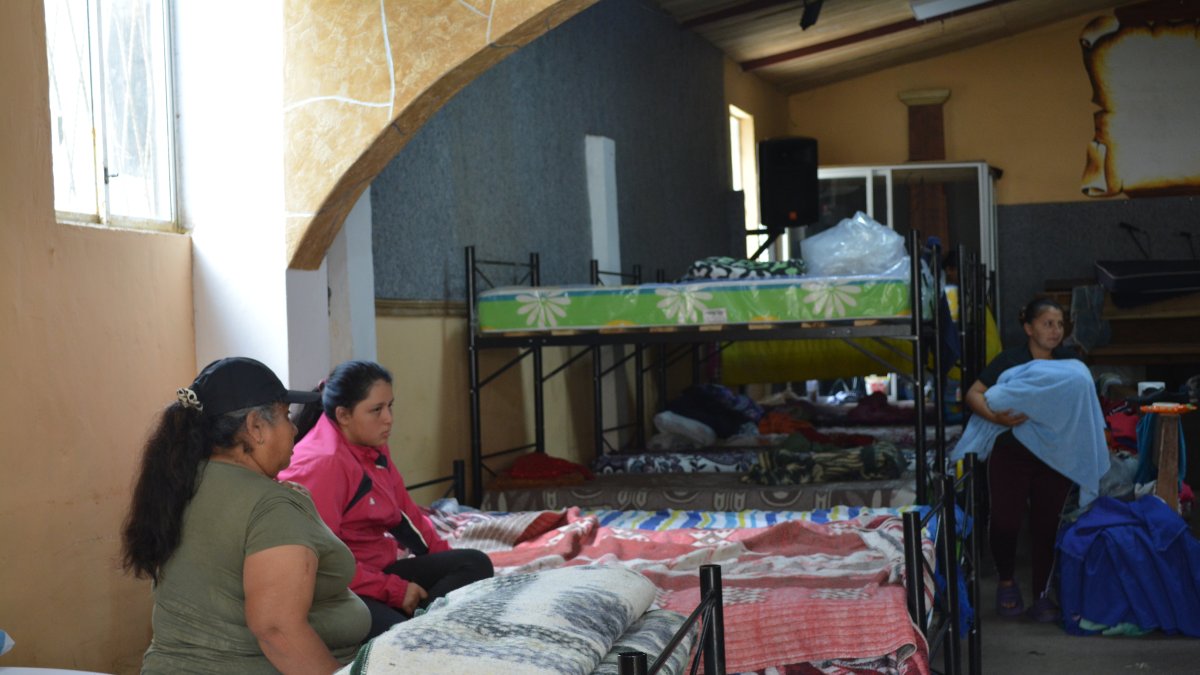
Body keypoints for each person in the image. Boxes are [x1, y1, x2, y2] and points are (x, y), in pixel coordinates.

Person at [121, 357, 370, 674]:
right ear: (255, 427)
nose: (294, 428)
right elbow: (277, 629)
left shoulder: (178, 485)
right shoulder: (271, 505)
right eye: (285, 416)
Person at [279, 360, 493, 639]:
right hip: (337, 589)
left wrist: (444, 563)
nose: (389, 418)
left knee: (474, 563)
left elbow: (406, 515)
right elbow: (323, 562)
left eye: (390, 405)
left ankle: (423, 623)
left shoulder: (371, 445)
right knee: (400, 637)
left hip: (375, 572)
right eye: (376, 410)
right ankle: (421, 628)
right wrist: (393, 590)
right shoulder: (323, 463)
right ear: (343, 415)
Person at [964, 298, 1080, 624]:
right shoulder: (1010, 361)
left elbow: (1084, 402)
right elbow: (974, 392)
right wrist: (994, 417)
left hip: (1054, 455)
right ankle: (1005, 581)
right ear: (1029, 328)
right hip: (1011, 452)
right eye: (1047, 323)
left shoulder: (1070, 363)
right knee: (1005, 522)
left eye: (1059, 324)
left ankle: (1042, 594)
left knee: (1047, 525)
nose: (1056, 331)